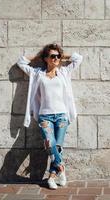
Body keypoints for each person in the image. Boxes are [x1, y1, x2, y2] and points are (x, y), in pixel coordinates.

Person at [17, 43, 83, 189]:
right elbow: (21, 62)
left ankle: (52, 177)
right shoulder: (37, 74)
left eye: (58, 56)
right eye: (52, 56)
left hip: (61, 116)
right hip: (45, 116)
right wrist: (39, 57)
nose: (56, 59)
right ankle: (61, 168)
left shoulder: (64, 72)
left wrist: (61, 55)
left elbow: (78, 59)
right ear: (46, 58)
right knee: (50, 143)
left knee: (58, 146)